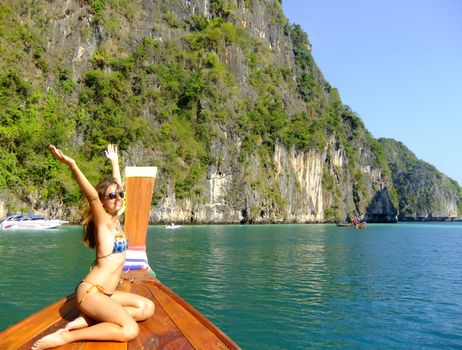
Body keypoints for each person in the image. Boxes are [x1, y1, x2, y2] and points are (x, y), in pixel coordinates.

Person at [32, 144, 155, 350]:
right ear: (103, 202)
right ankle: (66, 336)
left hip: (106, 294)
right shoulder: (104, 221)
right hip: (91, 293)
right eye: (111, 196)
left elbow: (119, 188)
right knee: (130, 329)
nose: (117, 199)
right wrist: (72, 165)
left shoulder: (116, 219)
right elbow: (91, 196)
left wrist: (115, 162)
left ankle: (89, 319)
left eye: (119, 195)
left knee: (146, 308)